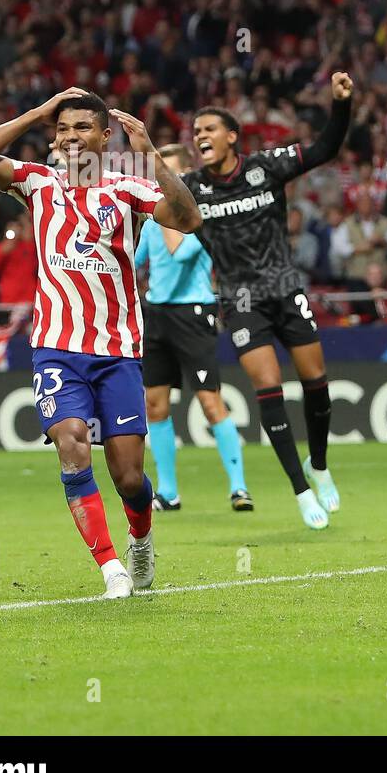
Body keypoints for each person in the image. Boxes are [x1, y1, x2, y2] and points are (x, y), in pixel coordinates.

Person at [0, 87, 202, 599]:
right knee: (71, 442)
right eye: (63, 128)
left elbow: (187, 218)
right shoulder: (36, 181)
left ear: (105, 136)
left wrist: (151, 154)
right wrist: (35, 114)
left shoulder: (127, 188)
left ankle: (140, 538)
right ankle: (111, 568)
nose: (70, 137)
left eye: (82, 128)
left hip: (117, 350)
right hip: (55, 345)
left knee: (129, 477)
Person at [182, 73, 353, 529]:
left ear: (232, 136)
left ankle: (319, 464)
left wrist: (340, 105)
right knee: (269, 389)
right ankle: (300, 490)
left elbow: (324, 150)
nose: (201, 137)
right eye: (196, 132)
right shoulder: (192, 188)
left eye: (210, 129)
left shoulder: (265, 167)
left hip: (285, 288)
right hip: (240, 300)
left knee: (316, 384)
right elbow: (149, 194)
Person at [134, 143, 252, 514]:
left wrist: (170, 204)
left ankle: (239, 488)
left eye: (170, 175)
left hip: (194, 312)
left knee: (208, 399)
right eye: (159, 174)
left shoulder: (199, 217)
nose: (162, 182)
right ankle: (168, 492)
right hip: (156, 315)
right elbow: (135, 259)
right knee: (155, 403)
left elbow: (177, 252)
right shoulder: (153, 219)